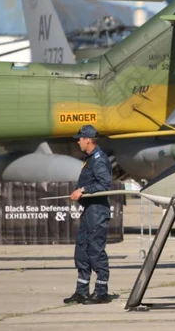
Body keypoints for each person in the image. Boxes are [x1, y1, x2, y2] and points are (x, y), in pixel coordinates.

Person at [63, 124, 113, 305]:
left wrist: (83, 190)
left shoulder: (99, 159)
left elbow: (105, 185)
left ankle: (101, 292)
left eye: (80, 138)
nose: (78, 141)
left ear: (88, 140)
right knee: (82, 251)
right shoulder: (90, 159)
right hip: (89, 211)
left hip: (97, 212)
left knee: (95, 251)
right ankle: (81, 291)